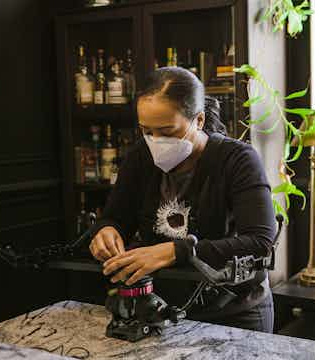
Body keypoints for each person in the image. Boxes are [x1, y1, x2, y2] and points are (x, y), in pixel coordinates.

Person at [88, 67, 276, 333]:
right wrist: (107, 231)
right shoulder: (140, 157)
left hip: (234, 312)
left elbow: (260, 243)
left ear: (198, 120)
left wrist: (177, 251)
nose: (156, 141)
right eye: (147, 131)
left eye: (167, 131)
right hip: (161, 309)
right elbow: (115, 217)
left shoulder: (238, 160)